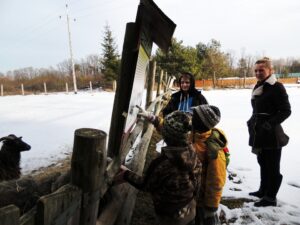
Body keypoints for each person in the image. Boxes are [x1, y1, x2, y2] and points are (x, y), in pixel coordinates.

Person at [114, 111, 202, 225]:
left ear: (165, 135)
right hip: (189, 209)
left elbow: (146, 185)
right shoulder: (192, 152)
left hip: (170, 216)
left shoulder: (162, 163)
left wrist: (126, 174)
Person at [247, 57, 291, 207]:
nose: (258, 73)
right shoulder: (259, 86)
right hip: (258, 132)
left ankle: (271, 197)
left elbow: (286, 111)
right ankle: (263, 190)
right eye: (256, 70)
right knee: (262, 162)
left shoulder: (277, 87)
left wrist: (269, 124)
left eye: (261, 70)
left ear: (270, 71)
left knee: (272, 166)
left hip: (272, 134)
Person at [191, 104, 227, 225]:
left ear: (202, 122)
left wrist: (211, 207)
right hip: (193, 196)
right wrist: (156, 120)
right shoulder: (195, 135)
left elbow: (216, 181)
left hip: (203, 202)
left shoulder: (213, 151)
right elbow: (174, 131)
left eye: (195, 116)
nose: (191, 117)